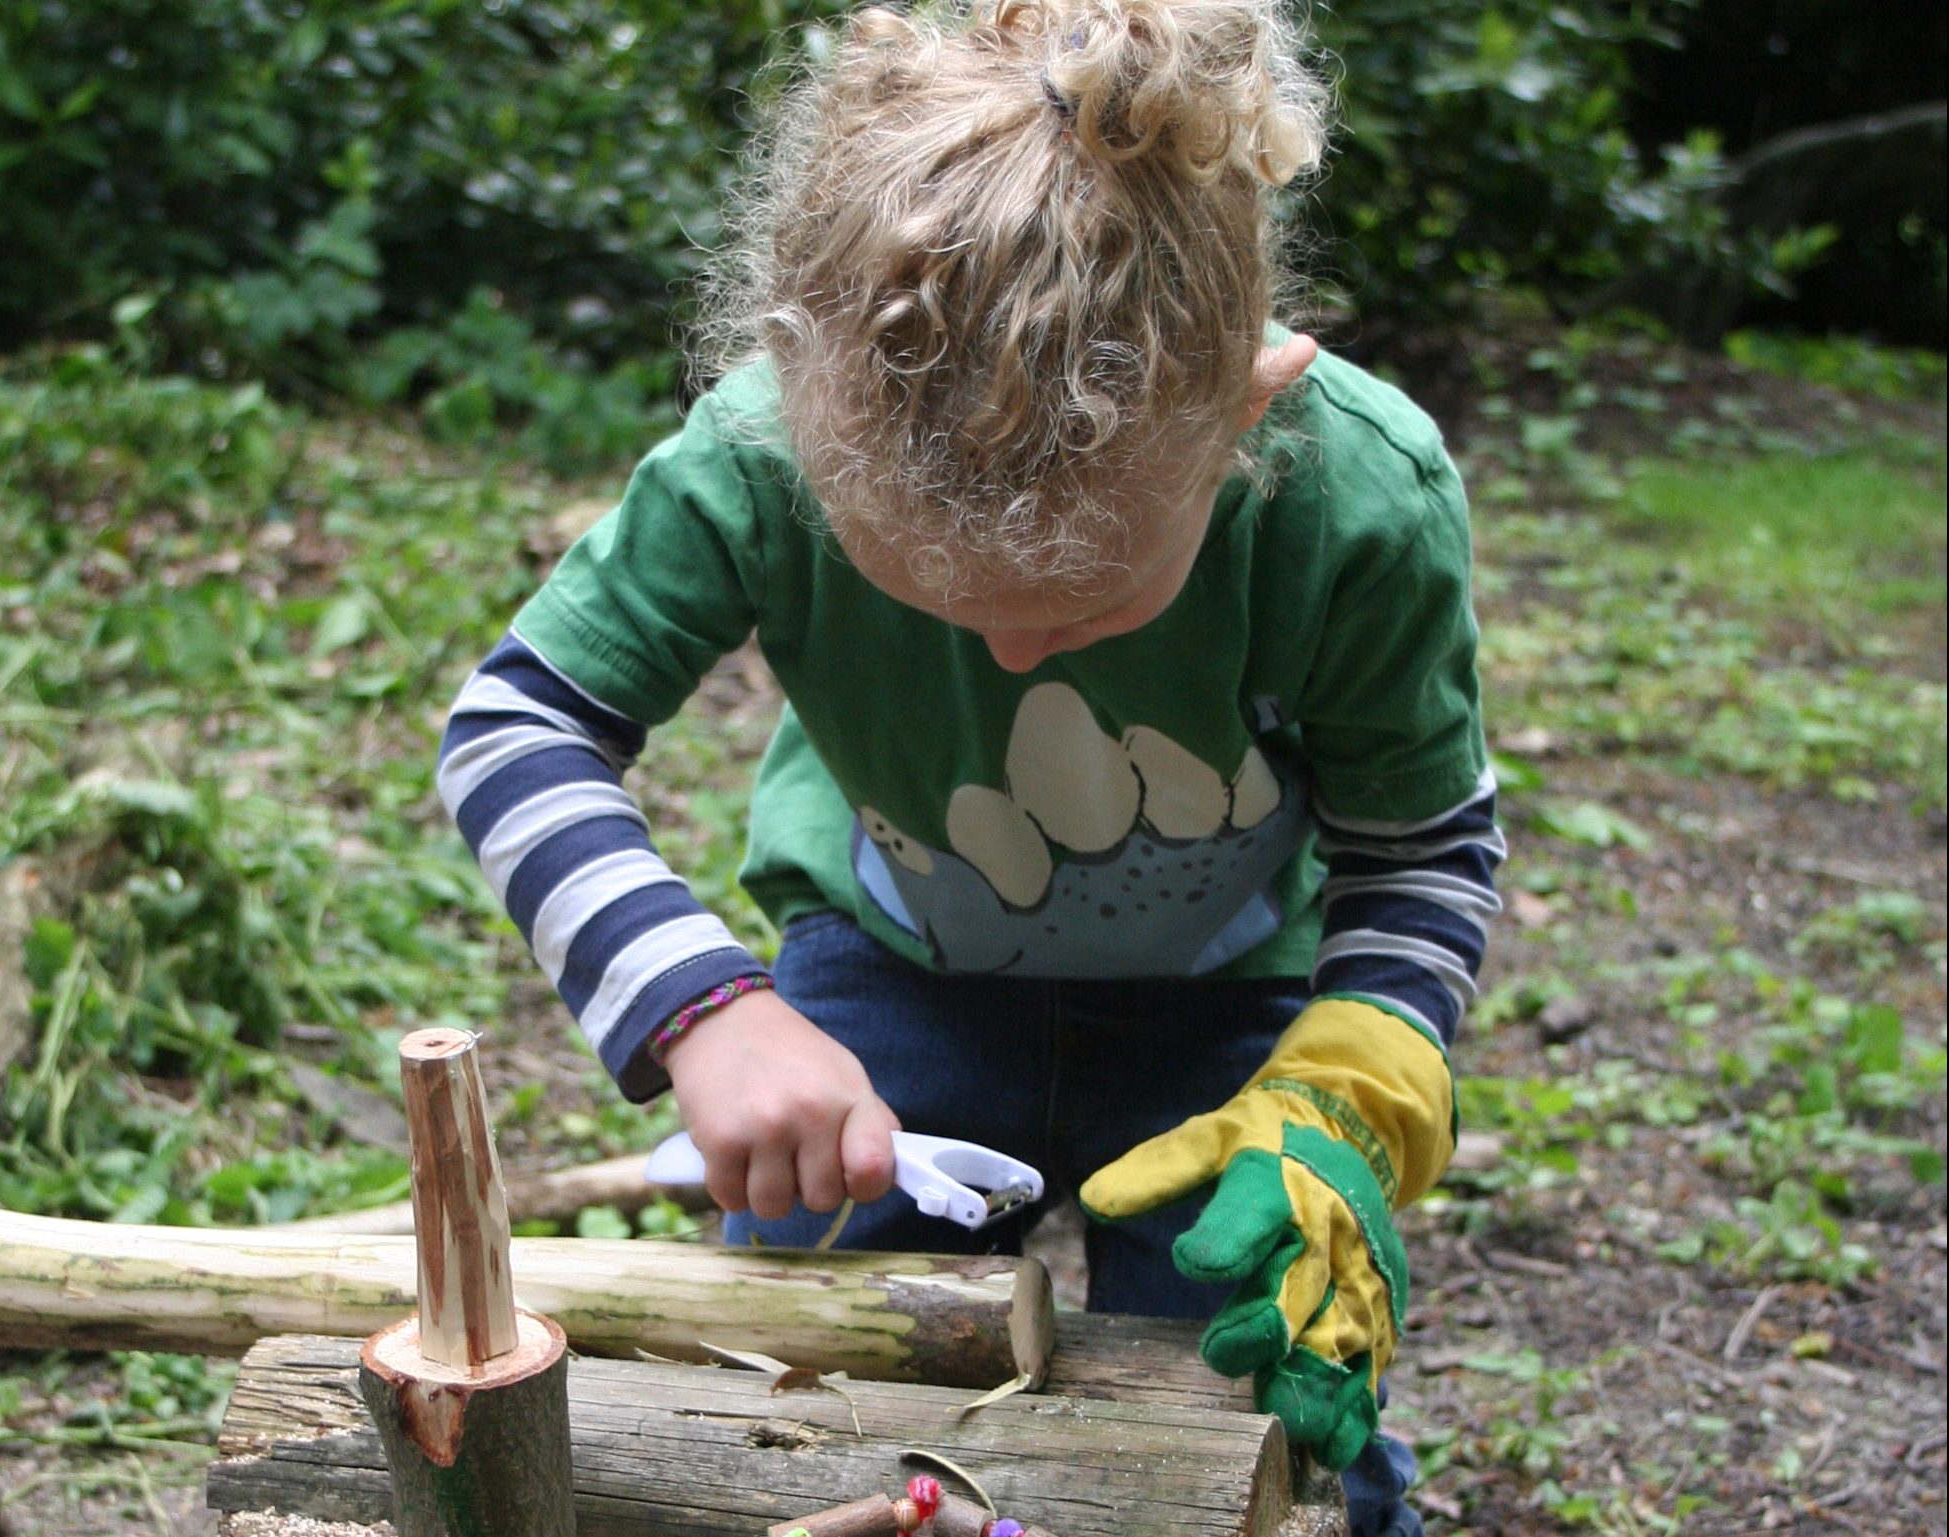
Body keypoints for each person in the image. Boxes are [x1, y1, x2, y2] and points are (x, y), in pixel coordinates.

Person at [436, 3, 1502, 1532]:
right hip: (894, 971)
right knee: (781, 1376)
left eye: (1083, 608)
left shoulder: (1359, 500)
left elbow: (1418, 848)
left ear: (1247, 402)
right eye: (936, 597)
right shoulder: (760, 454)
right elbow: (518, 724)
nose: (1014, 662)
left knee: (1261, 1383)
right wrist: (705, 1012)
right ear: (804, 399)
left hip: (1234, 1022)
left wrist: (1352, 1084)